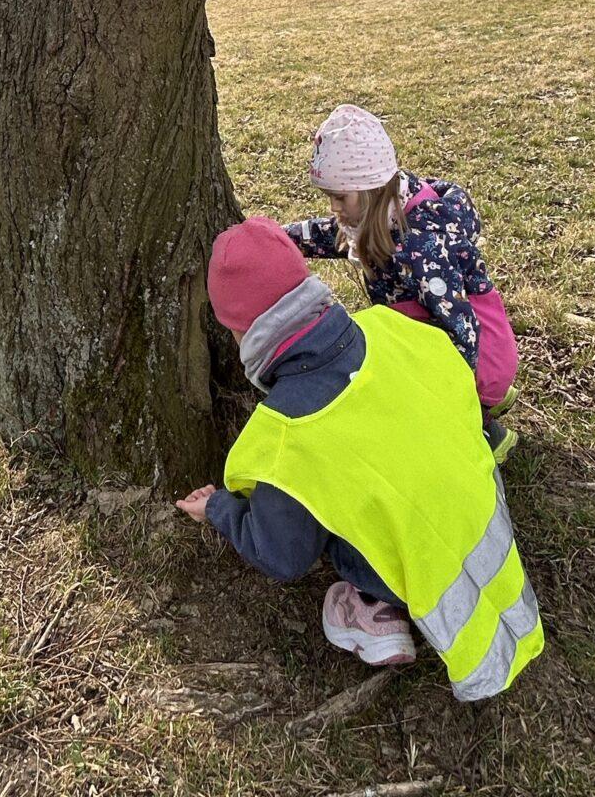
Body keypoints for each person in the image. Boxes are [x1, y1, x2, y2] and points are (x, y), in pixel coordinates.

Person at [175, 217, 543, 699]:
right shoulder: (393, 327)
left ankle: (372, 607)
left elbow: (284, 556)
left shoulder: (289, 433)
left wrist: (221, 509)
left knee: (329, 513)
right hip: (481, 516)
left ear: (245, 333)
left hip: (423, 576)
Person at [286, 104, 519, 460]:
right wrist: (280, 239)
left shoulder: (421, 250)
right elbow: (332, 234)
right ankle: (489, 395)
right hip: (468, 346)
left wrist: (457, 396)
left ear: (370, 188)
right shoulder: (388, 209)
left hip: (474, 359)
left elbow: (461, 329)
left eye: (339, 197)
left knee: (404, 402)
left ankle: (483, 427)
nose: (334, 208)